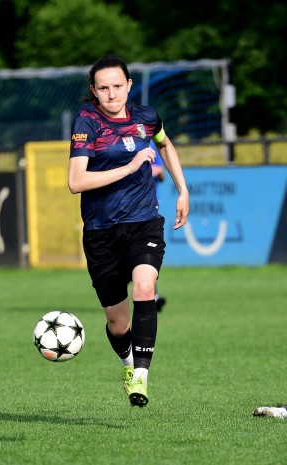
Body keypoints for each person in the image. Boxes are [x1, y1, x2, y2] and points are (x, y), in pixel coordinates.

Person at [68, 54, 189, 407]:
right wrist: (131, 166)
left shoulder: (146, 118)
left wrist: (183, 189)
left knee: (145, 286)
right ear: (94, 90)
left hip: (143, 222)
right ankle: (127, 365)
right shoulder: (87, 123)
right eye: (103, 88)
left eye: (118, 86)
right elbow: (76, 182)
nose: (112, 93)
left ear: (129, 85)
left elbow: (165, 143)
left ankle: (141, 377)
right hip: (101, 233)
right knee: (118, 324)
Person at [150, 140, 167, 313]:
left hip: (150, 207)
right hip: (128, 210)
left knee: (147, 253)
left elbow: (160, 172)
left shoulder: (150, 141)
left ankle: (152, 295)